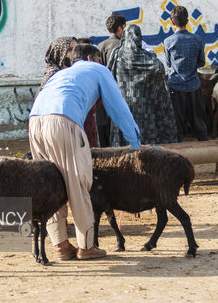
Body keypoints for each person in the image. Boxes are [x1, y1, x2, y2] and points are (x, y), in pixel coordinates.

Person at [29, 43, 141, 261]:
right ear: (92, 58)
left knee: (50, 184)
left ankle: (61, 244)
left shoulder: (61, 74)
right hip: (63, 121)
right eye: (100, 59)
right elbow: (118, 106)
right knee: (77, 182)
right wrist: (135, 143)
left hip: (34, 122)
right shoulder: (98, 69)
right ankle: (87, 245)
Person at [107, 24, 177, 146]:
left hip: (121, 107)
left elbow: (108, 76)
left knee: (122, 145)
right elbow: (159, 69)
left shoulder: (117, 55)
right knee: (144, 145)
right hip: (145, 109)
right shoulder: (148, 58)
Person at [163, 5, 208, 142]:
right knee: (198, 120)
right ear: (188, 21)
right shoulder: (197, 39)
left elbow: (169, 64)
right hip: (194, 85)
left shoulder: (168, 41)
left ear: (172, 23)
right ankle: (205, 147)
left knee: (177, 122)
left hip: (175, 86)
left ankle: (178, 150)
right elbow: (201, 62)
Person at [95, 14, 125, 147]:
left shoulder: (100, 46)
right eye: (124, 27)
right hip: (119, 92)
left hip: (103, 93)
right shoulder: (123, 45)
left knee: (103, 129)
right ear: (119, 29)